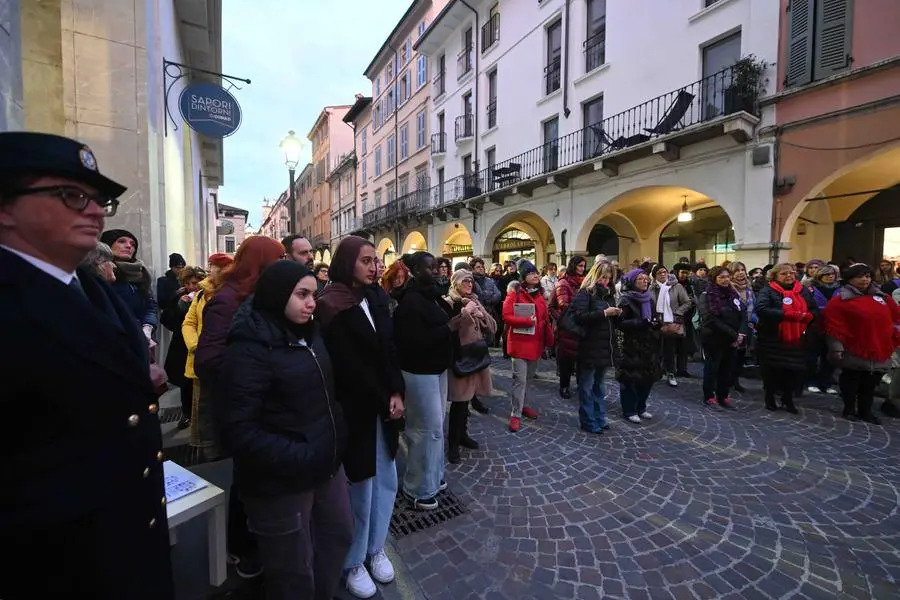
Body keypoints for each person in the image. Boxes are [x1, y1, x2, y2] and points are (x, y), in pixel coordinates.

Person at [0, 131, 173, 599]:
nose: (96, 211)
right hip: (60, 568)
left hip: (125, 542)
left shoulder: (92, 287)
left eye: (99, 200)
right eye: (72, 195)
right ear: (6, 207)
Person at [216, 261, 352, 600]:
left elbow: (325, 393)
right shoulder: (249, 348)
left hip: (325, 464)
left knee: (337, 536)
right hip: (281, 479)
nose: (312, 303)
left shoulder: (310, 332)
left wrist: (336, 435)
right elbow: (237, 430)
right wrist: (301, 455)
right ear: (277, 295)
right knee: (293, 567)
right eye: (301, 295)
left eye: (313, 294)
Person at [316, 236, 406, 598]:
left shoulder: (376, 298)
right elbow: (346, 367)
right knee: (360, 490)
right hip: (356, 411)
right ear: (347, 263)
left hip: (385, 407)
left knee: (387, 482)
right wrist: (383, 396)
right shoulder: (330, 305)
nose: (375, 266)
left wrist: (397, 391)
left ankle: (375, 548)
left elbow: (389, 349)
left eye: (376, 259)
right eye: (367, 260)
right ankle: (353, 560)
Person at [393, 251, 458, 510]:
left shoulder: (430, 296)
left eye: (437, 267)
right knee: (424, 429)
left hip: (436, 369)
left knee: (436, 427)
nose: (436, 271)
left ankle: (434, 476)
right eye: (429, 267)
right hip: (419, 372)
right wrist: (449, 328)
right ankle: (417, 488)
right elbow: (413, 343)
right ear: (414, 270)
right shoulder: (410, 302)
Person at [823, 263, 900, 424]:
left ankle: (866, 411)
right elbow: (832, 326)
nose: (865, 279)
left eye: (867, 276)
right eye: (860, 276)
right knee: (851, 381)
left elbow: (895, 317)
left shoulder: (882, 298)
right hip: (854, 348)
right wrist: (836, 348)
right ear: (850, 279)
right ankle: (849, 409)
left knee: (870, 384)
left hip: (878, 348)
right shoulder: (841, 300)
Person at [446, 269, 496, 462]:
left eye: (471, 281)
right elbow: (449, 328)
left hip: (477, 356)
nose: (469, 284)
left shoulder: (475, 299)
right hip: (461, 358)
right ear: (456, 283)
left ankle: (463, 435)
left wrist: (480, 313)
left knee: (467, 402)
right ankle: (453, 444)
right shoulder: (450, 301)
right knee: (459, 403)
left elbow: (493, 327)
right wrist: (466, 314)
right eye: (465, 281)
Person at [754, 262, 816, 413]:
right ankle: (770, 398)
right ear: (775, 276)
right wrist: (785, 315)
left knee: (792, 371)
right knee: (772, 371)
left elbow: (813, 308)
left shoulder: (802, 290)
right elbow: (761, 309)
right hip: (773, 337)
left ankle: (788, 399)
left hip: (796, 338)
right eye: (784, 273)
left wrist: (809, 316)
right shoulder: (768, 290)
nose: (788, 276)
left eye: (791, 273)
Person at [503, 259, 554, 432]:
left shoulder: (539, 295)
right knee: (520, 380)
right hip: (519, 344)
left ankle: (524, 405)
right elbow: (506, 316)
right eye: (532, 273)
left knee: (528, 379)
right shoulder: (515, 294)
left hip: (536, 343)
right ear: (524, 277)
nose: (536, 276)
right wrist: (526, 321)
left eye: (536, 273)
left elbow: (544, 318)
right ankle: (515, 414)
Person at [571, 260, 620, 433]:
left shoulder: (609, 293)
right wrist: (604, 313)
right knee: (586, 386)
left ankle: (600, 417)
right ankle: (588, 420)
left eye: (608, 278)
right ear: (595, 275)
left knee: (599, 386)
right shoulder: (585, 293)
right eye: (603, 277)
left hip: (605, 346)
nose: (605, 281)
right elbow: (579, 317)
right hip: (589, 346)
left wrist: (617, 313)